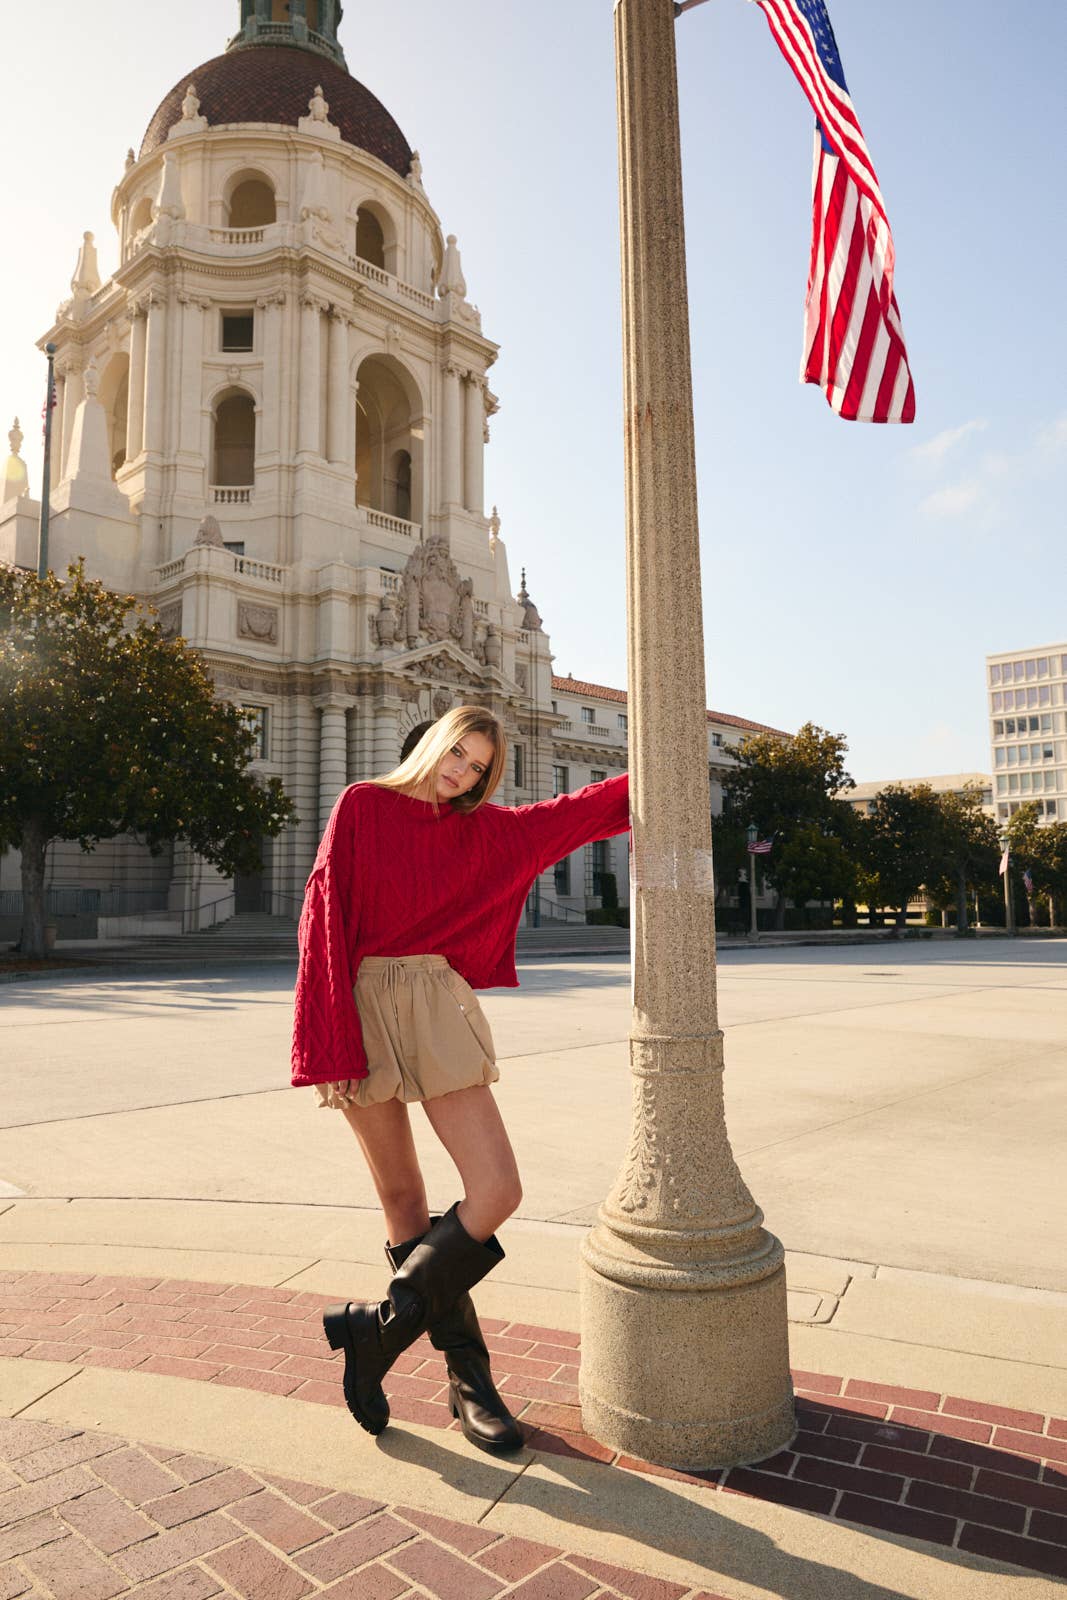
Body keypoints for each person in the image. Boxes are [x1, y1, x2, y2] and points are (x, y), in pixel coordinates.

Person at [291, 704, 630, 1454]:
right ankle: (468, 1379)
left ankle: (376, 1335)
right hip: (358, 1001)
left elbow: (581, 811)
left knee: (496, 1190)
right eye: (458, 755)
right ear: (432, 743)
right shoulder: (363, 805)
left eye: (479, 768)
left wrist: (663, 762)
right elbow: (323, 919)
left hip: (436, 1003)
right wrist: (326, 1040)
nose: (462, 774)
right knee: (402, 1200)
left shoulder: (485, 831)